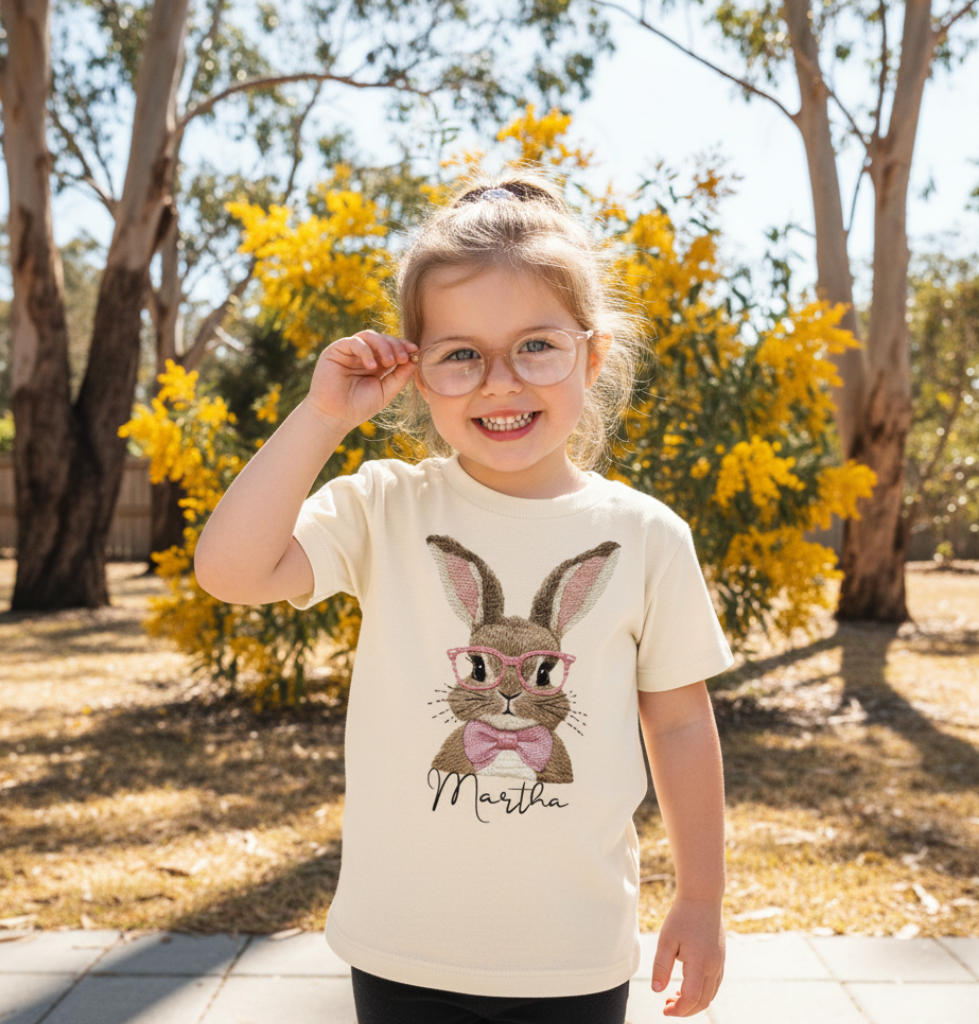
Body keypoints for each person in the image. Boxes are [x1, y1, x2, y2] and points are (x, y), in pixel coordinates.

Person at [194, 172, 734, 1023]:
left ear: (591, 358)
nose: (500, 382)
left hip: (575, 954)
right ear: (414, 373)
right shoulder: (384, 506)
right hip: (401, 946)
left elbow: (677, 721)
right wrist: (323, 416)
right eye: (460, 355)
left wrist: (701, 899)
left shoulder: (647, 536)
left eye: (537, 346)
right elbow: (230, 570)